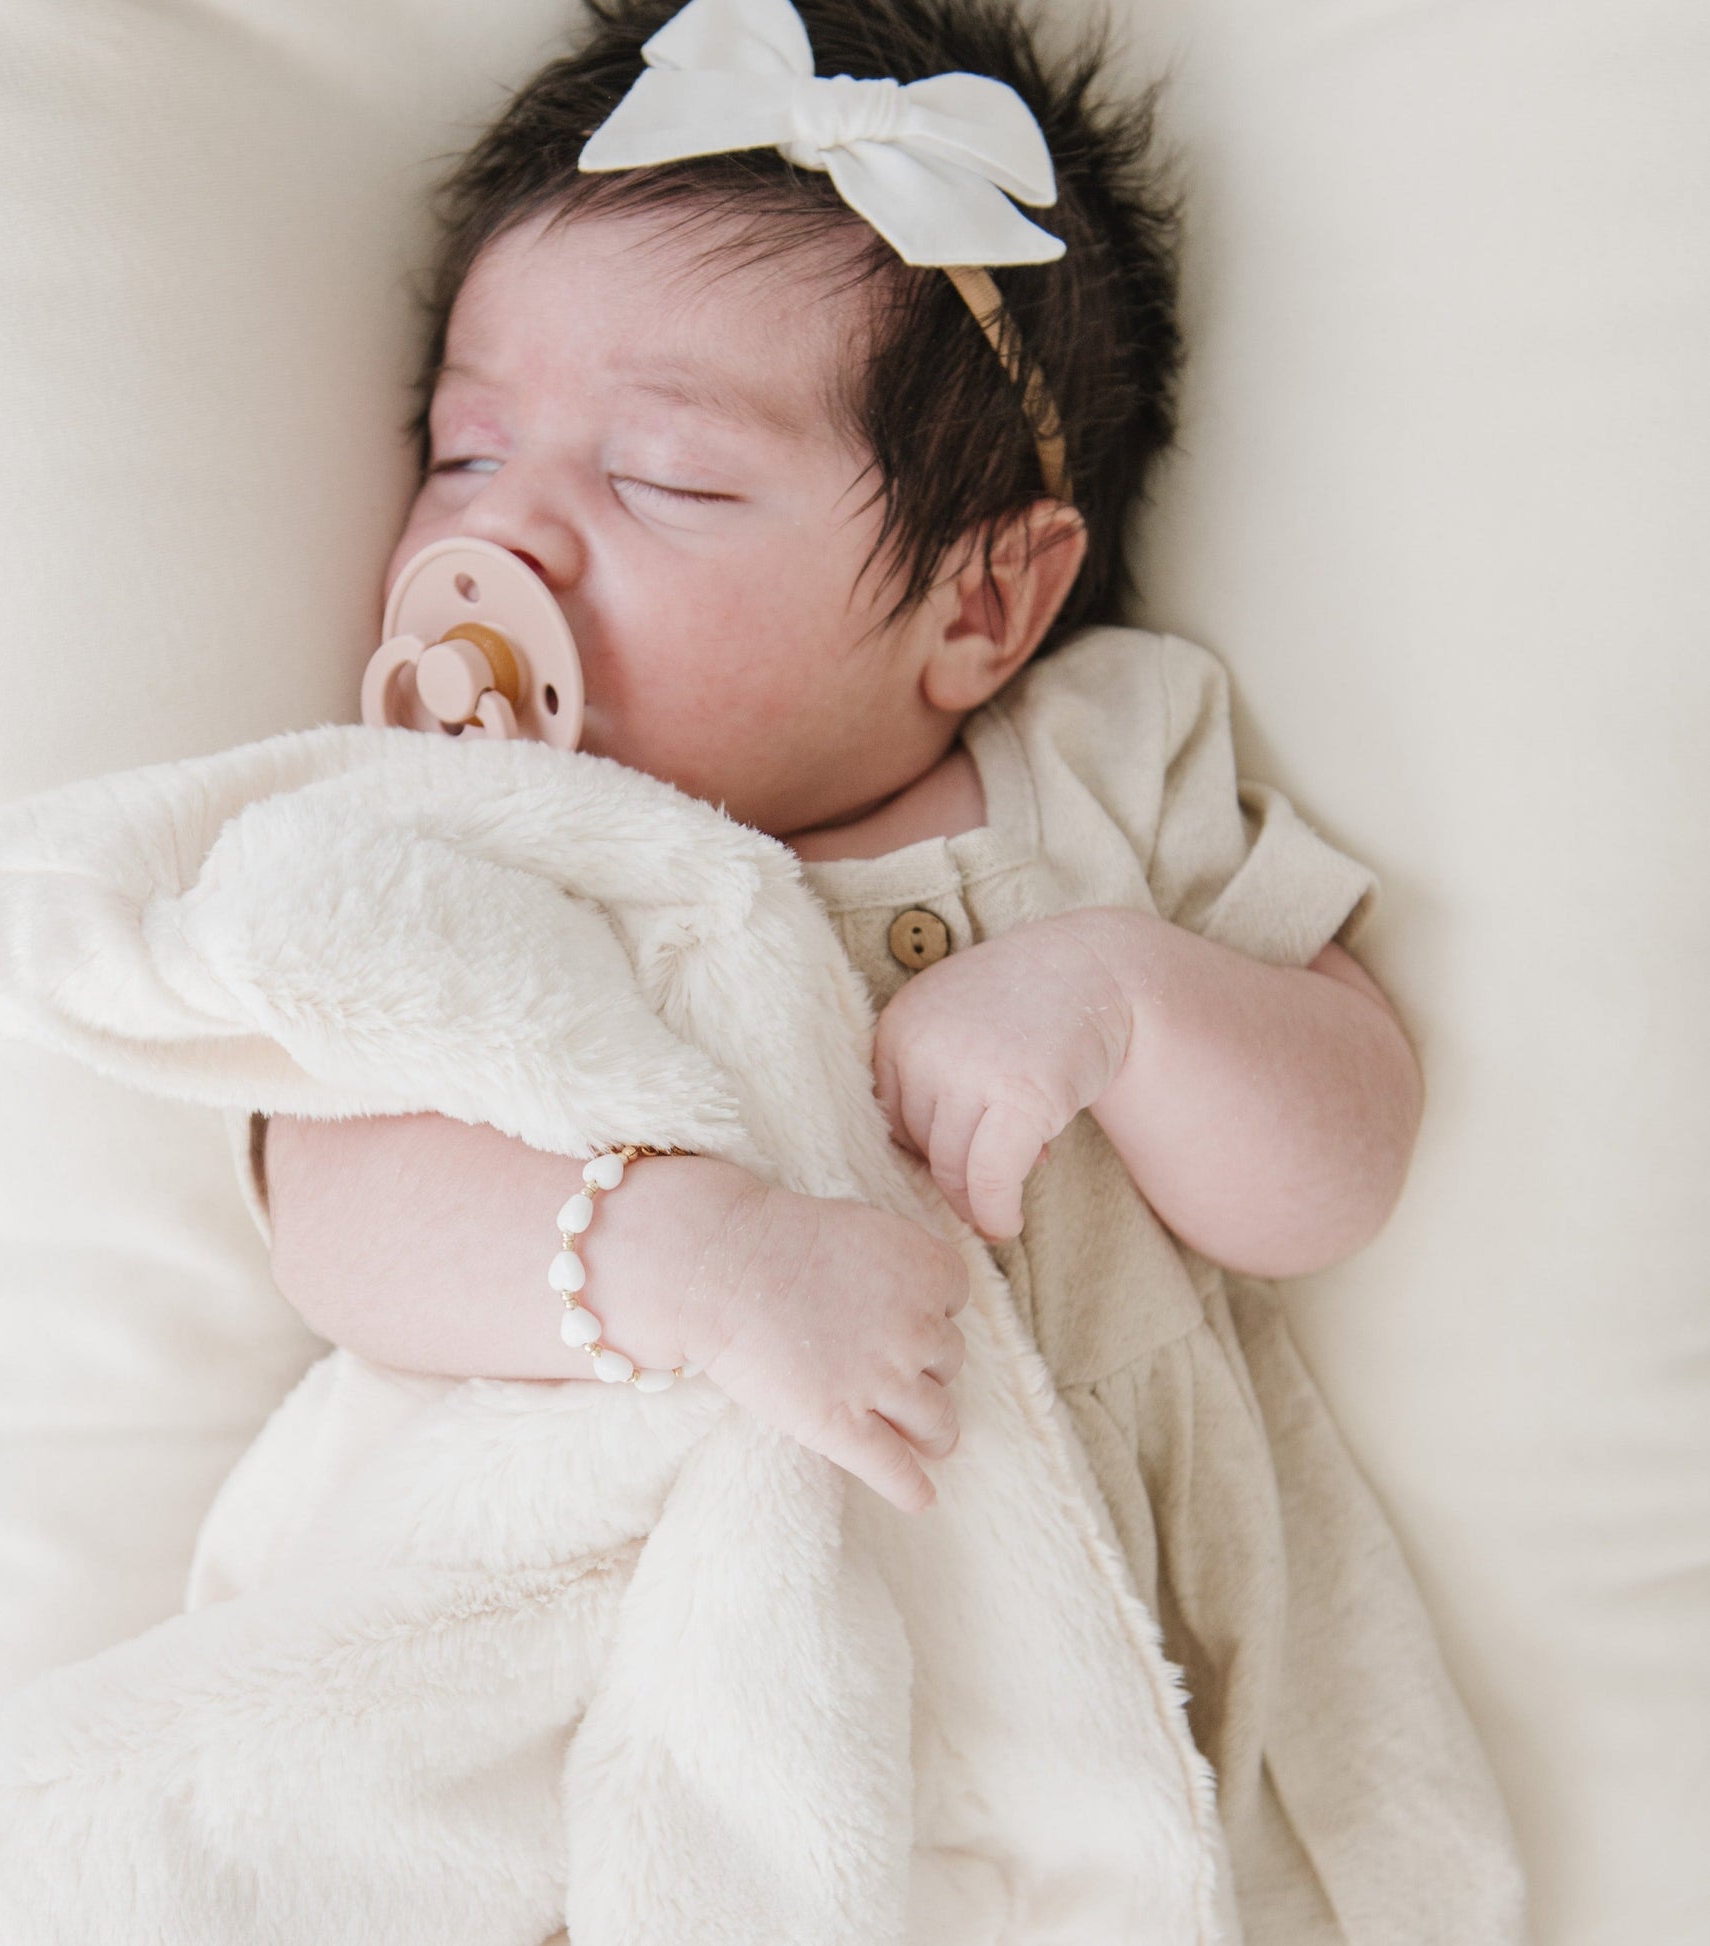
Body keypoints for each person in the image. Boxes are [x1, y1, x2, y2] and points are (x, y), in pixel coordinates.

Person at [247, 0, 1521, 1934]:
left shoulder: (1106, 775)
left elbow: (1336, 1169)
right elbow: (329, 1203)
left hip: (1103, 1701)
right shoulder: (470, 848)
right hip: (620, 1701)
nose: (508, 534)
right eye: (465, 448)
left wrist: (1126, 1000)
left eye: (663, 478)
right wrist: (680, 1258)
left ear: (983, 598)